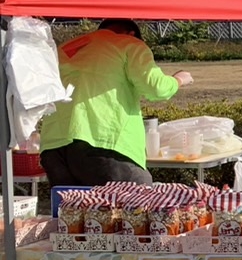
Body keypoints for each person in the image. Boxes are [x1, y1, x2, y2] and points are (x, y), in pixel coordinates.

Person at [39, 20, 194, 186]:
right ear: (132, 34)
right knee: (138, 198)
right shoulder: (128, 44)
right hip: (103, 143)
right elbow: (156, 87)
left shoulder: (65, 48)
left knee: (70, 202)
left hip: (54, 146)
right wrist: (179, 79)